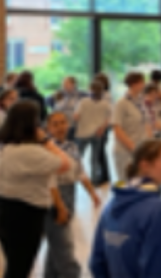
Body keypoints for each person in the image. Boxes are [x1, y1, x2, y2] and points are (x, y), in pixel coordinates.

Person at [0, 100, 73, 278]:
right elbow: (66, 163)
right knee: (20, 267)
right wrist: (46, 140)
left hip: (7, 208)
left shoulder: (9, 147)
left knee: (15, 263)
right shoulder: (31, 152)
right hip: (26, 213)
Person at [89, 139, 161, 278]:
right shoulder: (158, 210)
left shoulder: (111, 205)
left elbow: (97, 262)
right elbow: (158, 268)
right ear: (145, 165)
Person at [43, 111, 102, 278]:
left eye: (63, 122)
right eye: (55, 124)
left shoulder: (72, 146)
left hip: (70, 192)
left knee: (57, 242)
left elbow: (80, 172)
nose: (60, 127)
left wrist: (92, 193)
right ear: (48, 128)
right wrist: (59, 205)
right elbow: (49, 180)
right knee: (64, 244)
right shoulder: (47, 149)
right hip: (54, 196)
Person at [112, 73, 149, 183]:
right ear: (133, 84)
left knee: (140, 183)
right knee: (126, 184)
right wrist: (133, 148)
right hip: (124, 152)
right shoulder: (121, 103)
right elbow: (117, 129)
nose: (144, 85)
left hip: (140, 149)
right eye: (141, 82)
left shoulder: (140, 101)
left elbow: (145, 123)